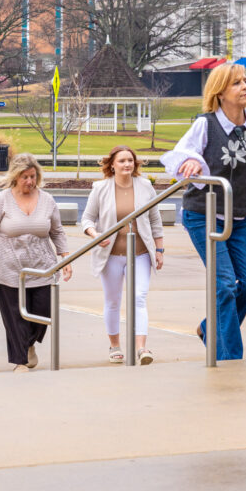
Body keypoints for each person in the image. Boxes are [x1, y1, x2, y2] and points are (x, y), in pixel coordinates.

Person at [162, 62, 246, 361]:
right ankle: (229, 359)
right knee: (224, 286)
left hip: (239, 217)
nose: (245, 87)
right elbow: (179, 154)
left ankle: (208, 328)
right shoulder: (206, 124)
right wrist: (191, 161)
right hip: (204, 215)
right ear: (220, 92)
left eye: (245, 81)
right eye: (236, 83)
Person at [0, 153, 71, 372]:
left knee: (43, 313)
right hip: (7, 267)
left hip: (42, 266)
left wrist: (65, 258)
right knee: (15, 317)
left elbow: (57, 231)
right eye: (25, 177)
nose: (30, 182)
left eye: (33, 177)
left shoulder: (47, 200)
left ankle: (28, 344)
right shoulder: (2, 199)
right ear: (15, 176)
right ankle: (20, 361)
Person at [82, 146, 164, 365]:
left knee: (139, 297)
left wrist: (159, 249)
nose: (127, 164)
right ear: (112, 165)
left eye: (130, 160)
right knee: (113, 301)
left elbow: (155, 219)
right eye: (122, 161)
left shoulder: (145, 186)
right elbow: (87, 219)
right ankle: (115, 346)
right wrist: (95, 234)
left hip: (141, 253)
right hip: (111, 255)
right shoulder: (100, 188)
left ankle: (141, 349)